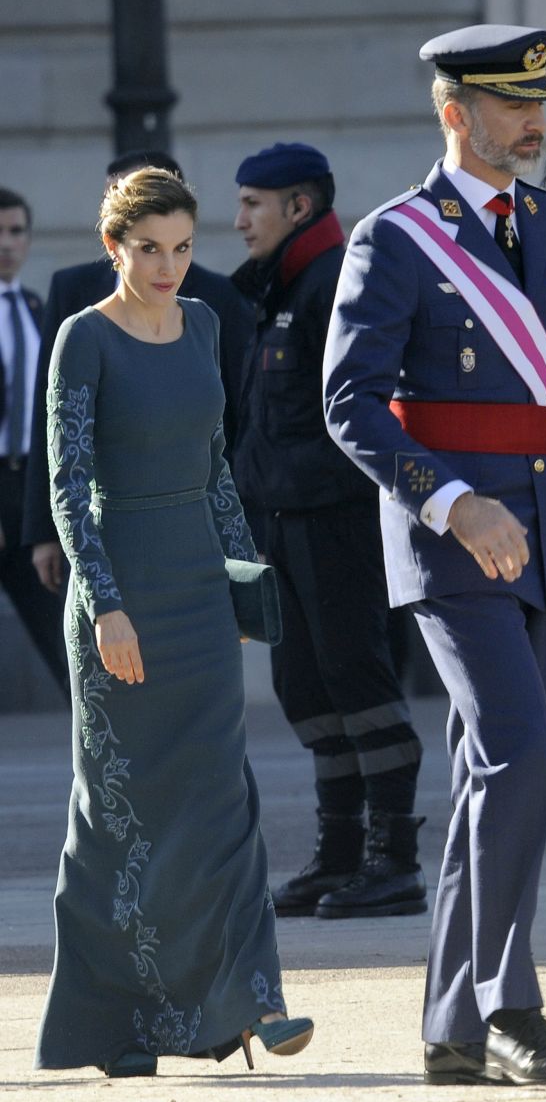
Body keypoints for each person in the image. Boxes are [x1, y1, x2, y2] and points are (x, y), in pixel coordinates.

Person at [323, 24, 546, 1086]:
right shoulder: (395, 238)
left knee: (490, 771)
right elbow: (348, 403)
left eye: (537, 106)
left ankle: (450, 1027)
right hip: (450, 541)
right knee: (519, 750)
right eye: (511, 106)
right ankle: (509, 1003)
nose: (533, 124)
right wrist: (453, 502)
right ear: (453, 115)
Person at [34, 167, 312, 1077]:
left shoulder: (203, 323)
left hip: (196, 595)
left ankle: (254, 1002)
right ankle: (117, 1022)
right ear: (115, 246)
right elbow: (69, 488)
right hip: (120, 598)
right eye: (148, 248)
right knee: (120, 819)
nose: (168, 266)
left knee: (223, 805)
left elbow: (217, 471)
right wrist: (106, 605)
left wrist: (241, 585)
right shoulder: (82, 339)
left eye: (184, 247)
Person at [230, 143, 426, 919]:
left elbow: (366, 408)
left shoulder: (334, 282)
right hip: (282, 526)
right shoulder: (279, 289)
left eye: (254, 203)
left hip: (340, 525)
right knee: (306, 688)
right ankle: (340, 853)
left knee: (360, 681)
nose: (239, 218)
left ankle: (395, 859)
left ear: (299, 208)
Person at [22, 150, 254, 596]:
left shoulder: (210, 311)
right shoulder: (76, 306)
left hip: (201, 557)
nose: (168, 266)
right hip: (116, 554)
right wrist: (43, 533)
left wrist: (243, 555)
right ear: (113, 236)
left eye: (181, 246)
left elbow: (227, 440)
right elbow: (52, 432)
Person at [0, 187, 69, 698]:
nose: (6, 244)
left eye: (16, 231)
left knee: (64, 639)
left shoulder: (34, 306)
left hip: (28, 492)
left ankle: (104, 763)